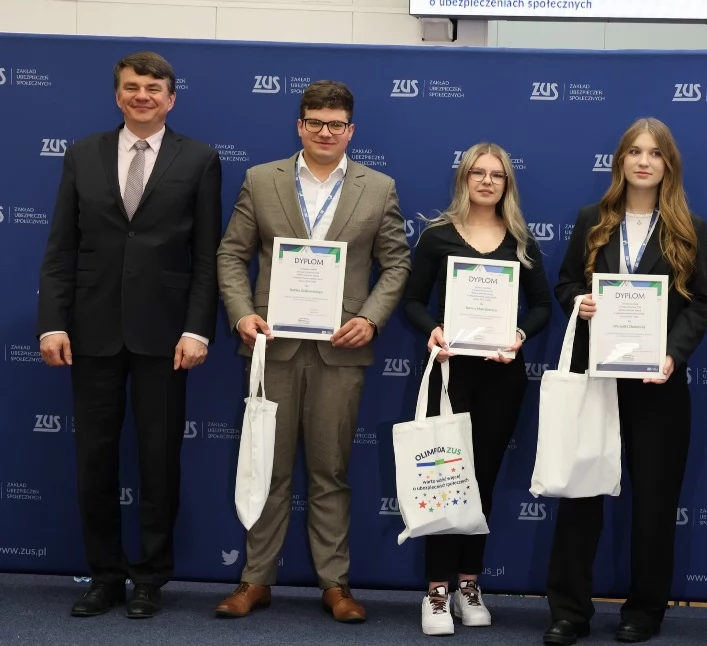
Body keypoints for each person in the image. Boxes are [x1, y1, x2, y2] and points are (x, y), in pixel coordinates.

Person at [212, 80, 411, 623]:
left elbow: (397, 263)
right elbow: (232, 255)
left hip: (339, 353)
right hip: (270, 348)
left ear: (351, 130)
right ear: (300, 126)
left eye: (337, 124)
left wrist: (370, 318)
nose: (326, 132)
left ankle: (335, 584)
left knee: (330, 472)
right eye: (315, 123)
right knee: (267, 469)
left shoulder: (379, 188)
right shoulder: (261, 179)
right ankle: (255, 580)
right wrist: (240, 313)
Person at [36, 51, 222, 619]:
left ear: (172, 97)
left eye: (154, 87)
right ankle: (104, 575)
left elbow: (207, 257)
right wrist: (52, 322)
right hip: (89, 333)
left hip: (165, 337)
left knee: (158, 460)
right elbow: (61, 248)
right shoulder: (82, 154)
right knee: (94, 459)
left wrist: (197, 328)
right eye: (132, 86)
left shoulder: (200, 159)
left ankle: (149, 577)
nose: (142, 95)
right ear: (118, 95)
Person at [543, 117, 707, 645]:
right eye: (635, 152)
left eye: (655, 153)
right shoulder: (591, 219)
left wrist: (672, 355)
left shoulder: (690, 227)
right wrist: (579, 300)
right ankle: (569, 611)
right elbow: (566, 282)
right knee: (580, 497)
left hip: (657, 385)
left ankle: (644, 610)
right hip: (595, 380)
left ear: (669, 164)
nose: (644, 161)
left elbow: (703, 303)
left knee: (655, 505)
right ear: (620, 161)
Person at [400, 142, 552, 636]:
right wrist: (434, 330)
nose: (487, 182)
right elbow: (413, 302)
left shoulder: (521, 241)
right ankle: (436, 590)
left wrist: (520, 335)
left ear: (508, 184)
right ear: (464, 179)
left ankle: (469, 583)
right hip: (449, 372)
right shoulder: (437, 236)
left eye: (498, 175)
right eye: (478, 173)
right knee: (445, 480)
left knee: (481, 479)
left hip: (502, 374)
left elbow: (542, 306)